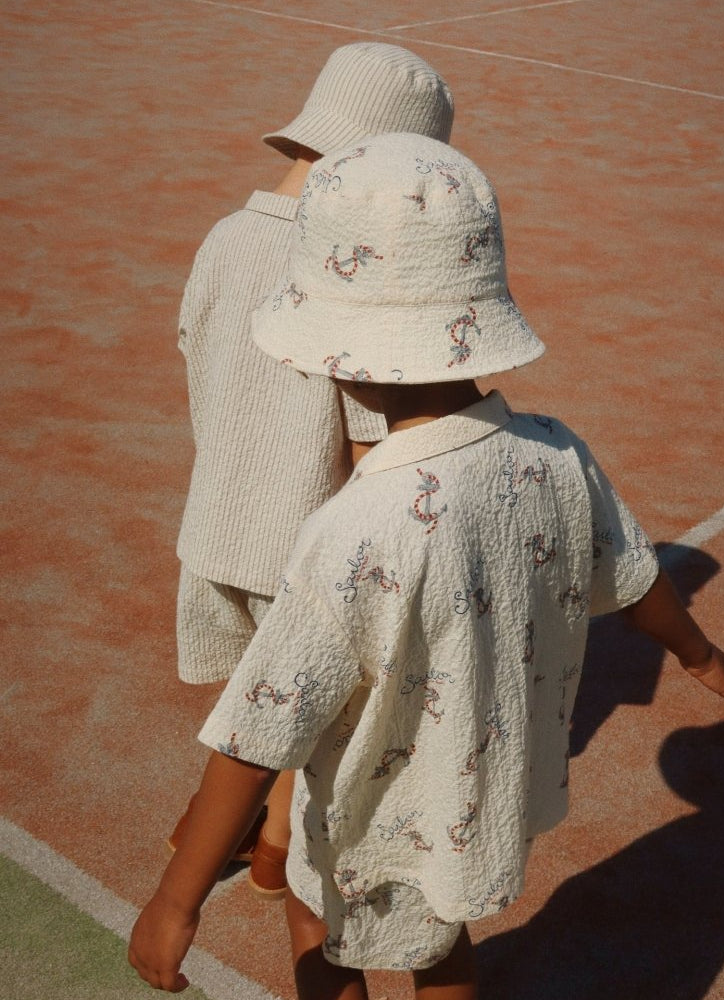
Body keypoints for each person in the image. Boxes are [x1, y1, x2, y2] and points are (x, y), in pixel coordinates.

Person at [131, 133, 724, 999]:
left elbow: (260, 730)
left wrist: (175, 898)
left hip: (367, 813)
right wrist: (697, 653)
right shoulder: (558, 452)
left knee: (314, 917)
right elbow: (636, 576)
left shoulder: (356, 528)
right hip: (473, 799)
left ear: (342, 354)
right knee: (440, 940)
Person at [170, 43, 455, 894]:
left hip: (213, 524)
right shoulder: (347, 263)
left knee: (248, 696)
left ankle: (217, 828)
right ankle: (274, 847)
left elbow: (195, 351)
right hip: (305, 551)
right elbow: (369, 439)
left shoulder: (226, 236)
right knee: (320, 713)